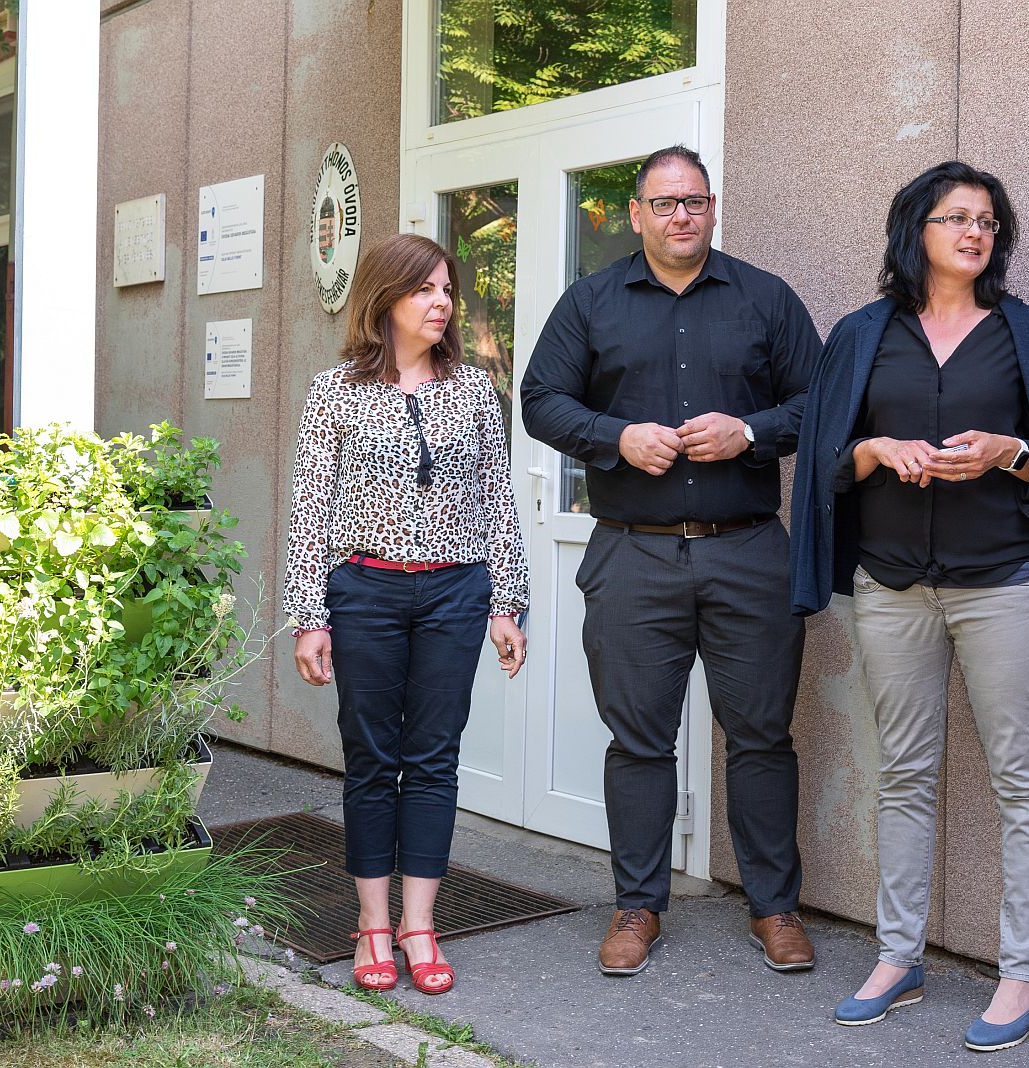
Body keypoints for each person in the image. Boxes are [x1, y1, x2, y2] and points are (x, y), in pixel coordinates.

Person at [788, 161, 1029, 1051]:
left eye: (988, 223)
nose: (975, 234)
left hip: (1002, 584)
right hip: (892, 588)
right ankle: (899, 958)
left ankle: (1023, 975)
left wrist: (1010, 452)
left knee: (1022, 777)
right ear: (915, 230)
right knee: (904, 774)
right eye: (957, 218)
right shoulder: (862, 335)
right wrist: (874, 452)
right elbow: (823, 459)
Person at [520, 145, 823, 977]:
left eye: (694, 201)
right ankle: (637, 906)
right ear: (636, 214)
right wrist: (614, 437)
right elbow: (540, 399)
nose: (680, 215)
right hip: (633, 554)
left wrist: (751, 432)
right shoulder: (590, 302)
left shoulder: (765, 298)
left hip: (747, 551)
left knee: (761, 738)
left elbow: (823, 402)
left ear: (712, 207)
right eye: (664, 203)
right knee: (639, 741)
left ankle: (775, 908)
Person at [284, 233, 529, 996]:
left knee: (432, 758)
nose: (441, 303)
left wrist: (506, 603)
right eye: (424, 289)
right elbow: (309, 509)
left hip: (455, 592)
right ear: (385, 298)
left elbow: (497, 502)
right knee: (371, 759)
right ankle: (372, 926)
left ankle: (419, 926)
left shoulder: (474, 391)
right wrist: (309, 615)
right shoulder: (335, 392)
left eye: (447, 290)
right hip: (366, 592)